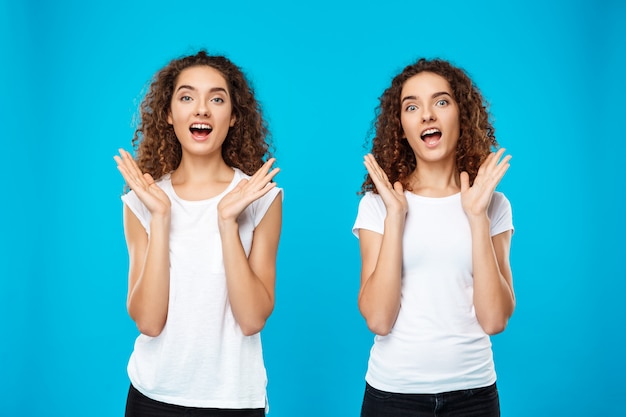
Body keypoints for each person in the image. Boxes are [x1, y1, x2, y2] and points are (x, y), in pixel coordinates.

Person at [113, 50, 282, 417]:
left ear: (234, 116)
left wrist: (226, 223)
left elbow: (252, 319)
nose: (201, 109)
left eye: (217, 98)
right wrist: (159, 217)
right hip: (152, 396)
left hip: (233, 399)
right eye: (187, 97)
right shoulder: (142, 201)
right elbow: (149, 321)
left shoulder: (261, 198)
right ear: (169, 115)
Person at [352, 58, 514, 417]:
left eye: (441, 102)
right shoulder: (378, 205)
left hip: (474, 395)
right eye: (412, 107)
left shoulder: (493, 204)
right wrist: (396, 218)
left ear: (462, 114)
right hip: (393, 395)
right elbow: (379, 319)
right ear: (402, 127)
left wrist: (476, 217)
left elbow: (495, 320)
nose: (427, 115)